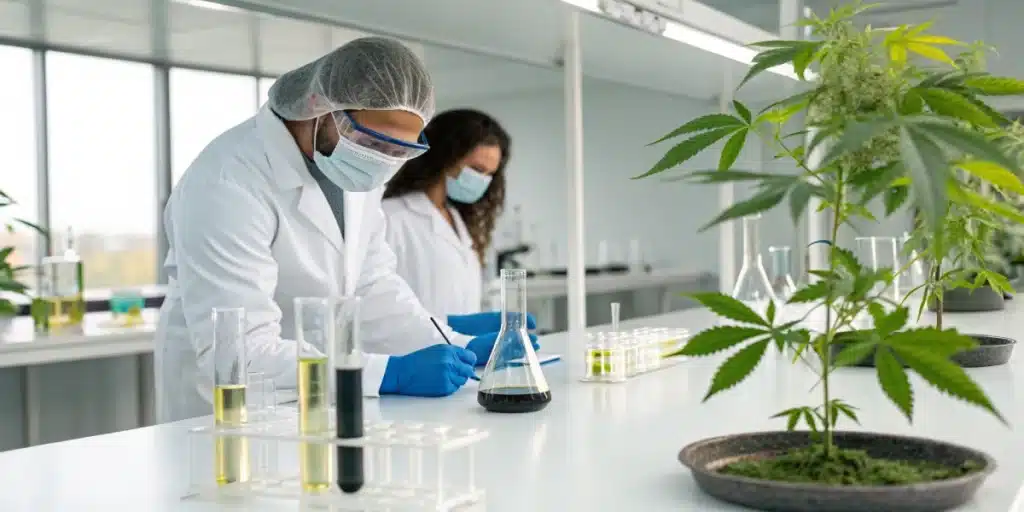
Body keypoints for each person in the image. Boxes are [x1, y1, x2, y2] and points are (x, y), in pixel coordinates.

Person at [154, 37, 535, 423]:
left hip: (321, 395)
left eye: (398, 151)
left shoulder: (353, 171)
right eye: (373, 142)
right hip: (229, 409)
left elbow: (373, 287)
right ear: (318, 107)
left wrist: (454, 344)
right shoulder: (229, 180)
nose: (382, 163)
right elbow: (238, 350)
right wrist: (389, 372)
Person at [382, 109, 509, 321]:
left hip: (459, 351)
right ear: (445, 157)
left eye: (490, 174)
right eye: (477, 169)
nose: (482, 181)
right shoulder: (391, 217)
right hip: (415, 350)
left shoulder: (459, 221)